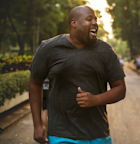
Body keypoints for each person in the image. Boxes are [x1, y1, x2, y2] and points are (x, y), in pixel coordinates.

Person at [29, 5, 126, 144]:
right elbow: (34, 84)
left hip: (98, 135)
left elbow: (120, 89)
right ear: (74, 23)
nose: (95, 23)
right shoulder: (49, 48)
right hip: (61, 136)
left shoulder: (105, 51)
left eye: (95, 20)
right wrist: (38, 125)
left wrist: (96, 100)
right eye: (89, 19)